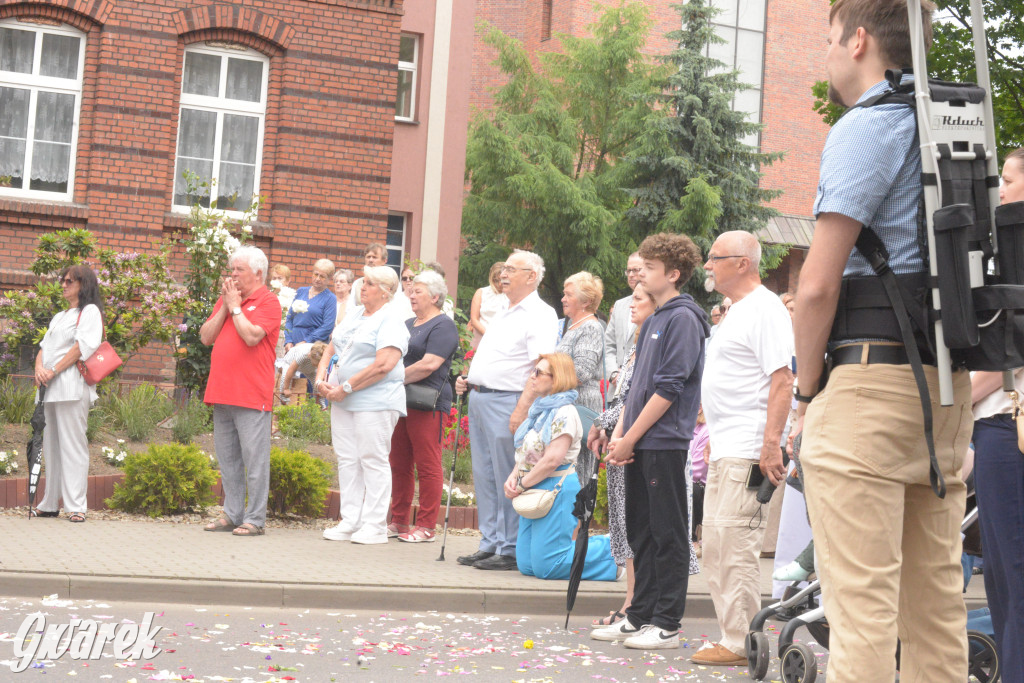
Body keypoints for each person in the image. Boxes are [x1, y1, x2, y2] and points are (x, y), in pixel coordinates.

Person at [791, 2, 974, 679]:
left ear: (859, 40)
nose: (827, 54)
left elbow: (816, 286)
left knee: (862, 618)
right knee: (936, 614)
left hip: (868, 385)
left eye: (829, 39)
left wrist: (805, 392)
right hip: (944, 384)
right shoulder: (950, 121)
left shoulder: (868, 124)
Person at [592, 232, 707, 650]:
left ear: (673, 274)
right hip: (640, 441)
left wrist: (632, 437)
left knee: (668, 533)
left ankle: (667, 623)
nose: (641, 273)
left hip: (664, 442)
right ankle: (639, 615)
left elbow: (669, 388)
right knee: (641, 531)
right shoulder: (655, 318)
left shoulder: (683, 318)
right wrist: (622, 435)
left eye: (651, 267)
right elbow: (636, 387)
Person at [692, 230, 793, 666]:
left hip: (749, 447)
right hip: (728, 445)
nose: (707, 265)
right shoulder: (737, 310)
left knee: (734, 544)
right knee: (716, 544)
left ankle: (742, 642)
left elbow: (782, 379)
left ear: (742, 263)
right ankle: (734, 635)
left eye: (715, 258)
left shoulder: (765, 309)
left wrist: (770, 444)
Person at [454, 250, 559, 571]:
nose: (503, 274)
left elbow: (541, 366)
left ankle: (510, 547)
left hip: (508, 401)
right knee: (484, 474)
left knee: (507, 474)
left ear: (531, 276)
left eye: (512, 269)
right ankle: (490, 542)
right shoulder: (503, 308)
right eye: (504, 268)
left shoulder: (539, 313)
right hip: (481, 397)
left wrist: (522, 409)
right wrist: (470, 379)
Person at [970, 148, 1024, 682]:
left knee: (1013, 575)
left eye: (1007, 179)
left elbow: (1011, 350)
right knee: (1004, 581)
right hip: (1001, 424)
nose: (1000, 189)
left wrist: (953, 401)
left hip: (1009, 424)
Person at [506, 352, 618, 581]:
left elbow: (552, 460)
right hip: (533, 485)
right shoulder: (539, 410)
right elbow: (528, 451)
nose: (532, 376)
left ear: (556, 378)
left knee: (548, 566)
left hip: (555, 485)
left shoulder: (564, 412)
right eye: (533, 371)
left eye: (539, 372)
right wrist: (514, 475)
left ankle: (612, 551)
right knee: (527, 565)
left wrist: (522, 484)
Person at [318, 266, 409, 545]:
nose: (362, 287)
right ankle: (351, 520)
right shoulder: (356, 313)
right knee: (347, 459)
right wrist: (321, 378)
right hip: (342, 398)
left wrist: (346, 387)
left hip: (375, 401)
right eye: (363, 282)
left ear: (386, 291)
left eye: (369, 283)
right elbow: (332, 347)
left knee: (373, 459)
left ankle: (375, 525)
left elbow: (384, 365)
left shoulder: (391, 319)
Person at [586, 281, 657, 625]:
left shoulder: (653, 346)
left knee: (638, 529)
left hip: (636, 446)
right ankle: (631, 601)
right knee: (625, 529)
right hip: (620, 442)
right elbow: (621, 399)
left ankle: (638, 604)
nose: (630, 305)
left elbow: (637, 400)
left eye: (639, 299)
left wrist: (602, 422)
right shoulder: (635, 345)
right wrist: (605, 426)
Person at [201, 246, 282, 537]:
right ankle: (232, 514)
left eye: (239, 270)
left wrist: (235, 308)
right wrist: (226, 305)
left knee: (255, 461)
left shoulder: (269, 302)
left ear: (258, 274)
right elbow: (205, 337)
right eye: (232, 269)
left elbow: (251, 336)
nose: (232, 274)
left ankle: (255, 519)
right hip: (221, 392)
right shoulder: (228, 300)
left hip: (251, 395)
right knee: (228, 460)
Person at [389, 270, 459, 543]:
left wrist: (390, 378)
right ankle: (399, 521)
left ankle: (427, 525)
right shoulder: (407, 323)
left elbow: (430, 364)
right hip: (401, 399)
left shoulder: (443, 325)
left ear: (435, 296)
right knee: (399, 462)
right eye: (410, 289)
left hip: (428, 402)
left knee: (428, 464)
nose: (411, 294)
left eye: (418, 291)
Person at [32, 265, 104, 523]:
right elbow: (44, 347)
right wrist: (39, 368)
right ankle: (50, 503)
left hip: (71, 387)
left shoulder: (90, 312)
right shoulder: (60, 316)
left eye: (69, 281)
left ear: (83, 284)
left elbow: (81, 348)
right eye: (62, 280)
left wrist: (53, 370)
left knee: (73, 446)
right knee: (50, 447)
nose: (63, 285)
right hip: (49, 388)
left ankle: (76, 506)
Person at [557, 271, 605, 484]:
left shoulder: (591, 327)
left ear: (585, 301)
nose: (563, 299)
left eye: (568, 295)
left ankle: (577, 507)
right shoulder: (573, 325)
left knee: (577, 472)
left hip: (580, 403)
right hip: (568, 402)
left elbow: (581, 372)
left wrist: (549, 379)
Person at [604, 252, 642, 384]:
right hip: (615, 386)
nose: (631, 275)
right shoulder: (619, 305)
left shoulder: (655, 305)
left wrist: (628, 376)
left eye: (635, 270)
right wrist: (613, 373)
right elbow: (608, 344)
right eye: (628, 271)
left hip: (638, 383)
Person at [283, 259, 337, 351]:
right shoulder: (301, 291)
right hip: (293, 344)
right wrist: (288, 340)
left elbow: (327, 327)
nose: (318, 279)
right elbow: (289, 318)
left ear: (329, 278)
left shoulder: (330, 298)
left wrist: (306, 342)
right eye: (316, 274)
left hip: (313, 347)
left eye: (322, 276)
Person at [469, 262, 506, 348]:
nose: (499, 284)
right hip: (481, 337)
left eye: (502, 280)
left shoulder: (512, 295)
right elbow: (474, 319)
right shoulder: (481, 292)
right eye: (496, 280)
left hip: (503, 339)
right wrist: (488, 335)